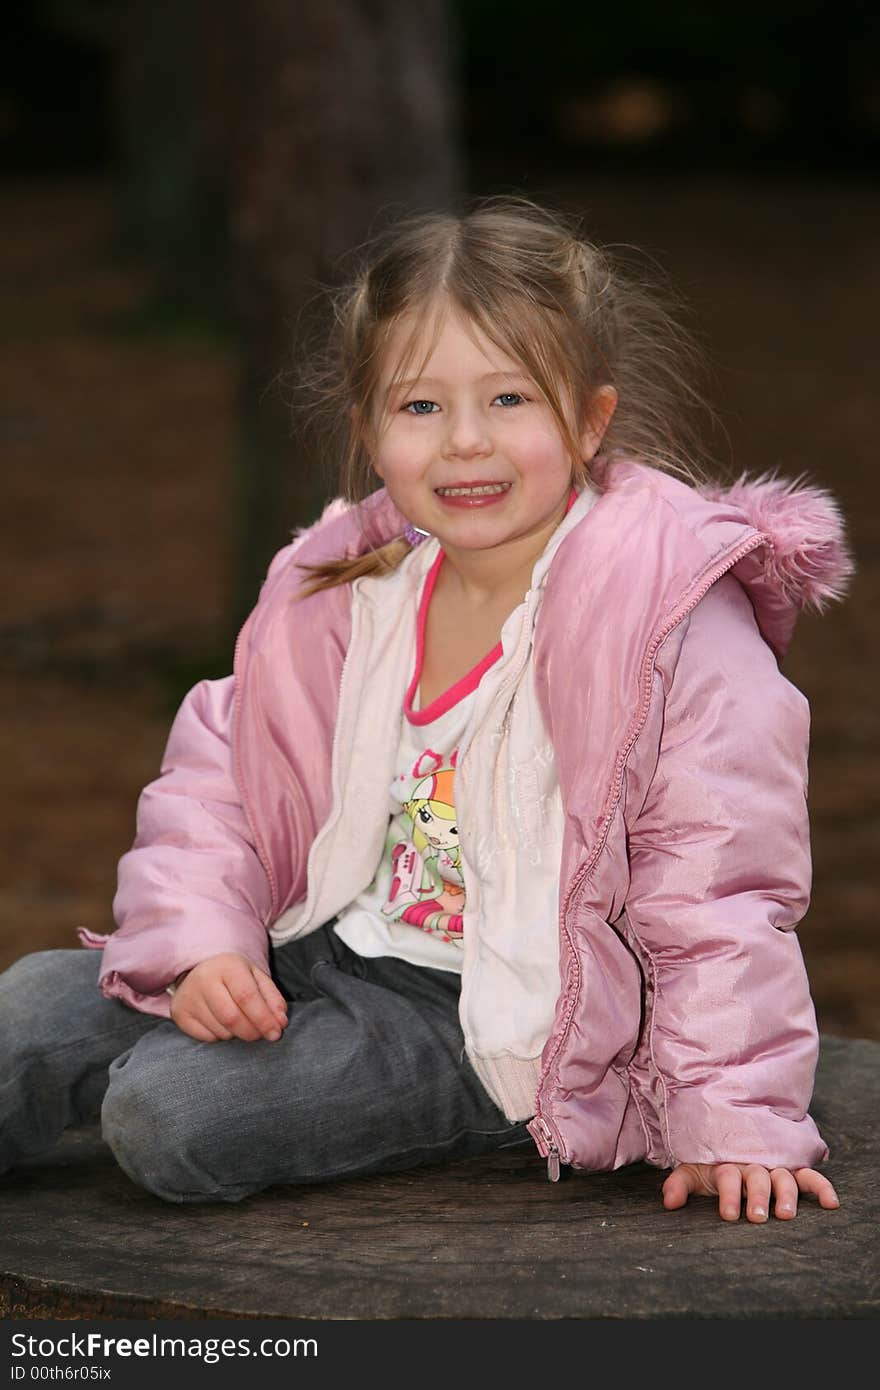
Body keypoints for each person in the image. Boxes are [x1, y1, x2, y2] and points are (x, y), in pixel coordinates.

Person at [0, 198, 854, 1223]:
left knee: (167, 1111)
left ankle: (464, 1098)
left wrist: (730, 1118)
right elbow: (220, 780)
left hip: (495, 1009)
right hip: (314, 938)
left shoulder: (669, 619)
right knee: (24, 1014)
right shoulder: (339, 587)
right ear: (367, 430)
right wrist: (205, 946)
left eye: (507, 399)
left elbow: (717, 883)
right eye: (419, 408)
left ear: (588, 419)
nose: (463, 444)